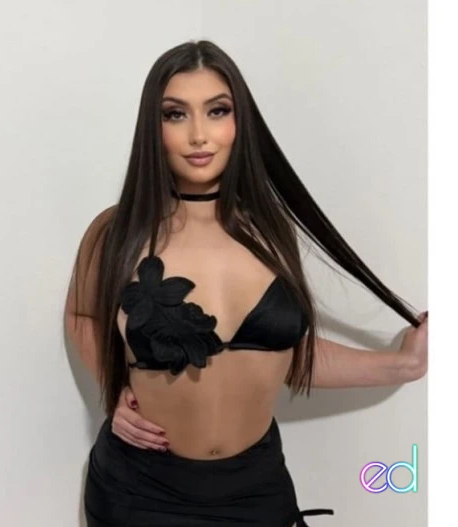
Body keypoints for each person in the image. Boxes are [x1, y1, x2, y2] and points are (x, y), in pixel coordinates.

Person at [65, 39, 428, 527]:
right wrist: (113, 390)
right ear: (153, 127)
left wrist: (402, 365)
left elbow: (285, 355)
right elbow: (81, 315)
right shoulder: (117, 232)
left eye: (217, 111)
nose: (199, 134)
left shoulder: (271, 231)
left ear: (240, 122)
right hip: (140, 493)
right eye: (175, 114)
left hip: (256, 489)